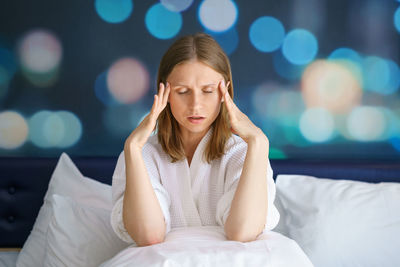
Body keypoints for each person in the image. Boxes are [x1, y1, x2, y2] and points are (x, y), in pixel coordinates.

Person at [110, 33, 280, 247]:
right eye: (182, 92)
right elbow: (148, 235)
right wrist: (133, 148)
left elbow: (243, 231)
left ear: (224, 92)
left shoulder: (245, 152)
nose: (195, 105)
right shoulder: (143, 153)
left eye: (208, 91)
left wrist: (258, 141)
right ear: (165, 92)